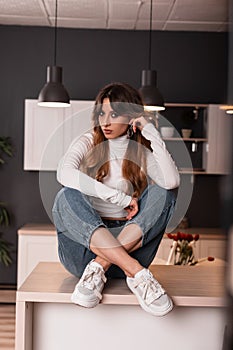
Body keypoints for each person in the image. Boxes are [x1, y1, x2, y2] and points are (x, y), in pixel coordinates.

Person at [52, 82, 180, 316]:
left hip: (130, 244)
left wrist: (150, 131)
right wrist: (121, 199)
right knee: (66, 196)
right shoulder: (89, 140)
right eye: (102, 113)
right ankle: (137, 274)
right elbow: (64, 172)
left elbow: (171, 182)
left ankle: (100, 266)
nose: (106, 121)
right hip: (84, 253)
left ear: (132, 117)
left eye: (115, 113)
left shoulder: (141, 150)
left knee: (162, 194)